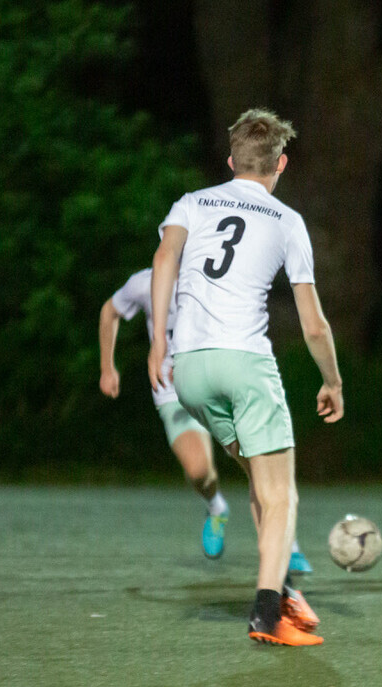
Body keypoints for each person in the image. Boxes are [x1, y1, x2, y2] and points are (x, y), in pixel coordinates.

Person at [149, 108, 343, 646]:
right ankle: (265, 614)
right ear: (281, 163)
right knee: (282, 495)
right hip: (244, 365)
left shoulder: (192, 202)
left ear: (231, 160)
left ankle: (281, 590)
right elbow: (314, 323)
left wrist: (160, 340)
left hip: (189, 371)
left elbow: (165, 257)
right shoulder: (285, 220)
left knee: (260, 480)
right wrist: (333, 381)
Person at [100, 268, 229, 558]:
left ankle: (287, 553)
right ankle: (216, 507)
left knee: (261, 460)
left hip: (220, 381)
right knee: (199, 472)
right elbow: (110, 311)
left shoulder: (218, 275)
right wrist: (108, 368)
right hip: (173, 391)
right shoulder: (145, 283)